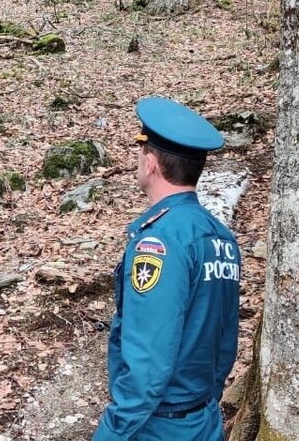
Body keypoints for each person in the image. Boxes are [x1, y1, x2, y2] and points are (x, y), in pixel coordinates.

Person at [93, 97, 241, 441]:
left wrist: (112, 433)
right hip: (204, 418)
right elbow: (226, 339)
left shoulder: (158, 243)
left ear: (150, 163)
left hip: (160, 426)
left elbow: (147, 361)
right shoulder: (221, 237)